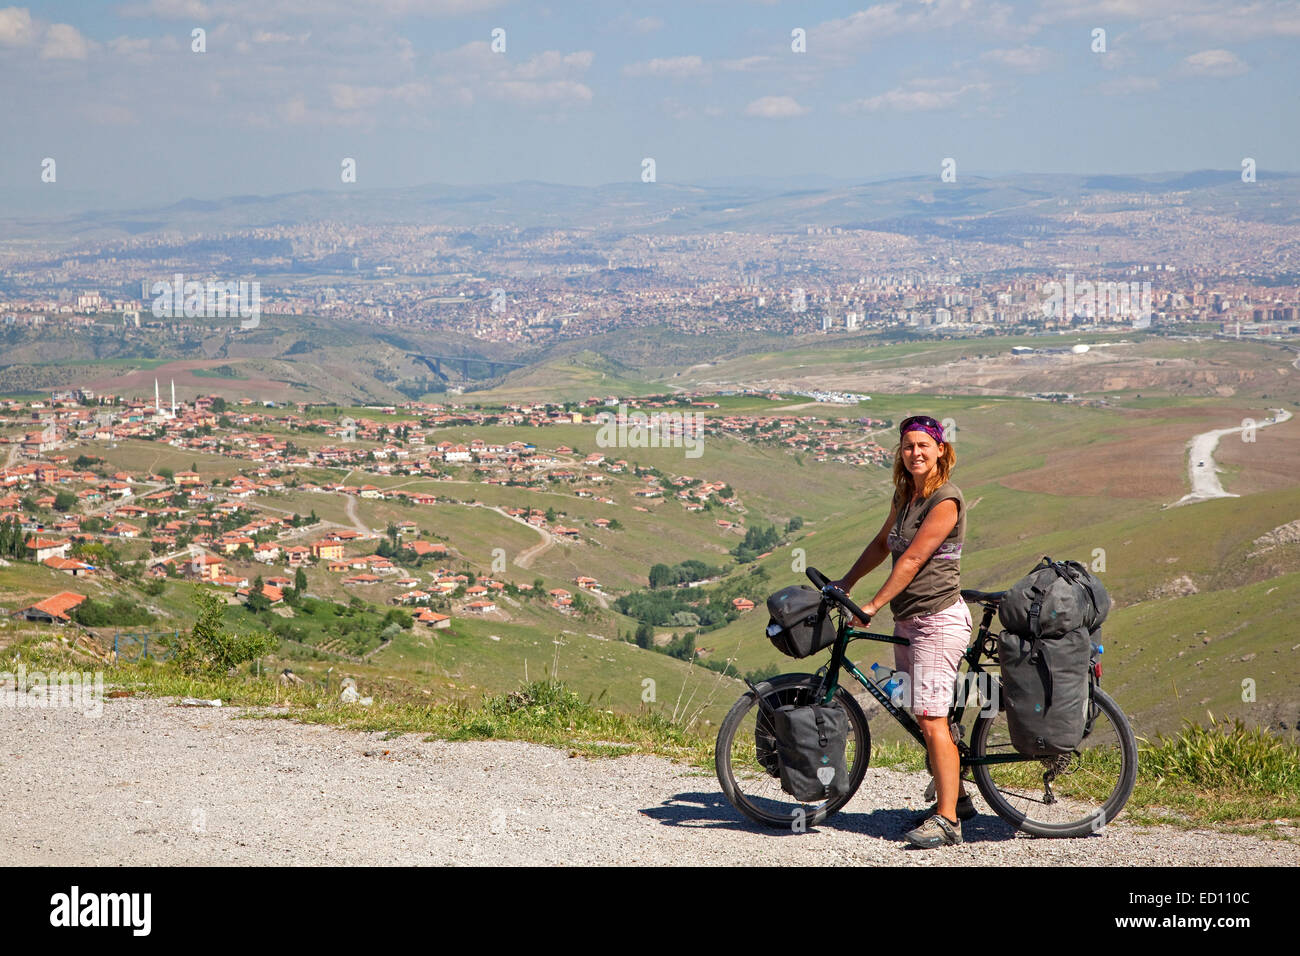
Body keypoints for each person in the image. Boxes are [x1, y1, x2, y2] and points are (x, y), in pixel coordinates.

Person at [832, 414, 972, 848]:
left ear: (941, 451)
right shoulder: (906, 494)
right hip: (910, 619)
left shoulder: (945, 500)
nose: (915, 453)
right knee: (926, 713)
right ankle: (959, 798)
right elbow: (883, 544)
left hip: (937, 620)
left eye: (923, 446)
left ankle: (948, 821)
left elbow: (911, 560)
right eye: (908, 446)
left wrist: (872, 605)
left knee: (932, 720)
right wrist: (847, 583)